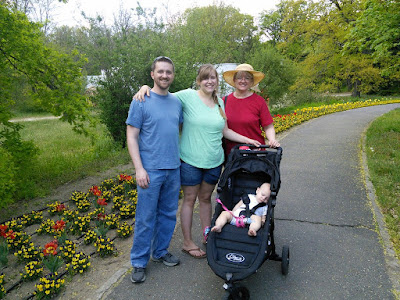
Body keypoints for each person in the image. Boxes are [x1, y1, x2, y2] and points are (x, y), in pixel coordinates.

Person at [132, 64, 261, 259]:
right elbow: (162, 92)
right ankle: (187, 242)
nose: (209, 81)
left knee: (206, 199)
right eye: (205, 78)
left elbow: (224, 130)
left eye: (213, 78)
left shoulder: (220, 102)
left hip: (214, 161)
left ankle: (207, 236)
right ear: (199, 81)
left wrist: (247, 139)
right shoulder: (187, 96)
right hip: (190, 161)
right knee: (189, 200)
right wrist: (144, 87)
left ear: (217, 82)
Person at [126, 56, 183, 283]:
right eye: (160, 71)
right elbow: (131, 136)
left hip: (174, 168)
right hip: (150, 170)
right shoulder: (141, 101)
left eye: (168, 72)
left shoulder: (177, 102)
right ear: (152, 74)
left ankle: (160, 252)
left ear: (173, 75)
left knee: (168, 214)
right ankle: (139, 262)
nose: (164, 76)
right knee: (145, 218)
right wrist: (139, 168)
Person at [222, 64, 280, 157]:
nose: (243, 81)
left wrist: (272, 139)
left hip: (256, 152)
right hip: (233, 155)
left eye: (247, 78)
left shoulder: (259, 101)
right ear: (234, 80)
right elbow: (223, 129)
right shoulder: (224, 101)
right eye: (239, 78)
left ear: (252, 81)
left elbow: (268, 126)